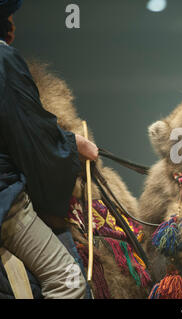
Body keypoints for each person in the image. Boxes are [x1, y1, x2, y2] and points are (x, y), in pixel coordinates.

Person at [0, 0, 98, 298]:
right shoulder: (3, 60)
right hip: (4, 202)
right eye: (9, 17)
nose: (13, 27)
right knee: (67, 281)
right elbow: (32, 137)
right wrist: (71, 144)